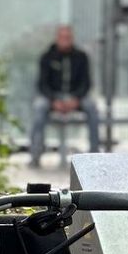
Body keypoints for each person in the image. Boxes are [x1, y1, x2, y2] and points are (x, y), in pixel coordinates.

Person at [28, 25, 102, 163]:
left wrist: (76, 99)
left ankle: (94, 152)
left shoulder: (81, 57)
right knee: (39, 107)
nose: (65, 41)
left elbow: (86, 83)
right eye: (62, 37)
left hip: (76, 97)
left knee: (92, 107)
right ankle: (35, 153)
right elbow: (42, 84)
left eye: (68, 38)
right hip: (53, 97)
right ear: (57, 38)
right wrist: (53, 100)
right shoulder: (47, 57)